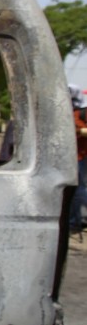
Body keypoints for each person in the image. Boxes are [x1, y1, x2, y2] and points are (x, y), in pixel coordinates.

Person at [70, 84, 87, 233]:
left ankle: (77, 221)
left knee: (78, 188)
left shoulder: (79, 113)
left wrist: (81, 131)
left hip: (79, 156)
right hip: (76, 156)